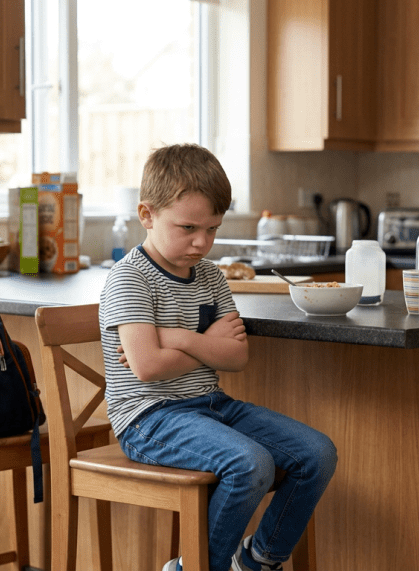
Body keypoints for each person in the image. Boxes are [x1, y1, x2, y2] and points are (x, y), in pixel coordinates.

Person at [99, 143, 338, 571]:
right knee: (250, 464)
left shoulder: (210, 275)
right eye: (188, 227)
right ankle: (195, 567)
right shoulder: (128, 278)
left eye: (212, 229)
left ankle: (257, 561)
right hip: (148, 418)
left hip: (210, 407)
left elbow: (237, 355)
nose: (201, 242)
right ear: (147, 215)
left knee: (317, 454)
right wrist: (207, 341)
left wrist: (179, 338)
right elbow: (149, 368)